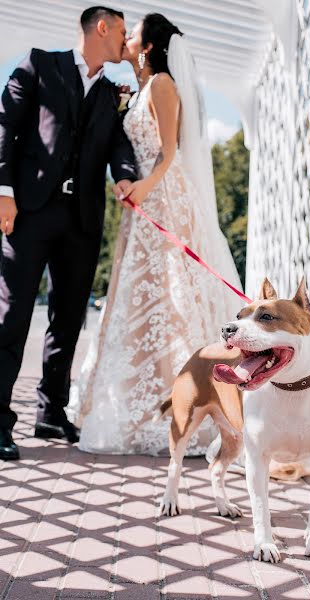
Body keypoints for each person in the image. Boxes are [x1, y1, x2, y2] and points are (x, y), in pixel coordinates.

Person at [68, 13, 244, 456]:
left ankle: (188, 404)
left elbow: (169, 153)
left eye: (135, 32)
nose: (126, 37)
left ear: (148, 46)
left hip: (165, 200)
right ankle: (144, 404)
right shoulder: (140, 88)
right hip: (141, 204)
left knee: (171, 301)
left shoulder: (163, 84)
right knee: (142, 306)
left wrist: (143, 188)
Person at [0, 6, 137, 460]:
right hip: (29, 211)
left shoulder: (111, 93)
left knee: (68, 316)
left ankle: (51, 412)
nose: (125, 40)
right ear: (102, 27)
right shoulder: (40, 64)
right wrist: (3, 191)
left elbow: (117, 142)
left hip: (81, 217)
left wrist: (125, 175)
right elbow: (5, 124)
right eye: (121, 31)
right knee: (12, 313)